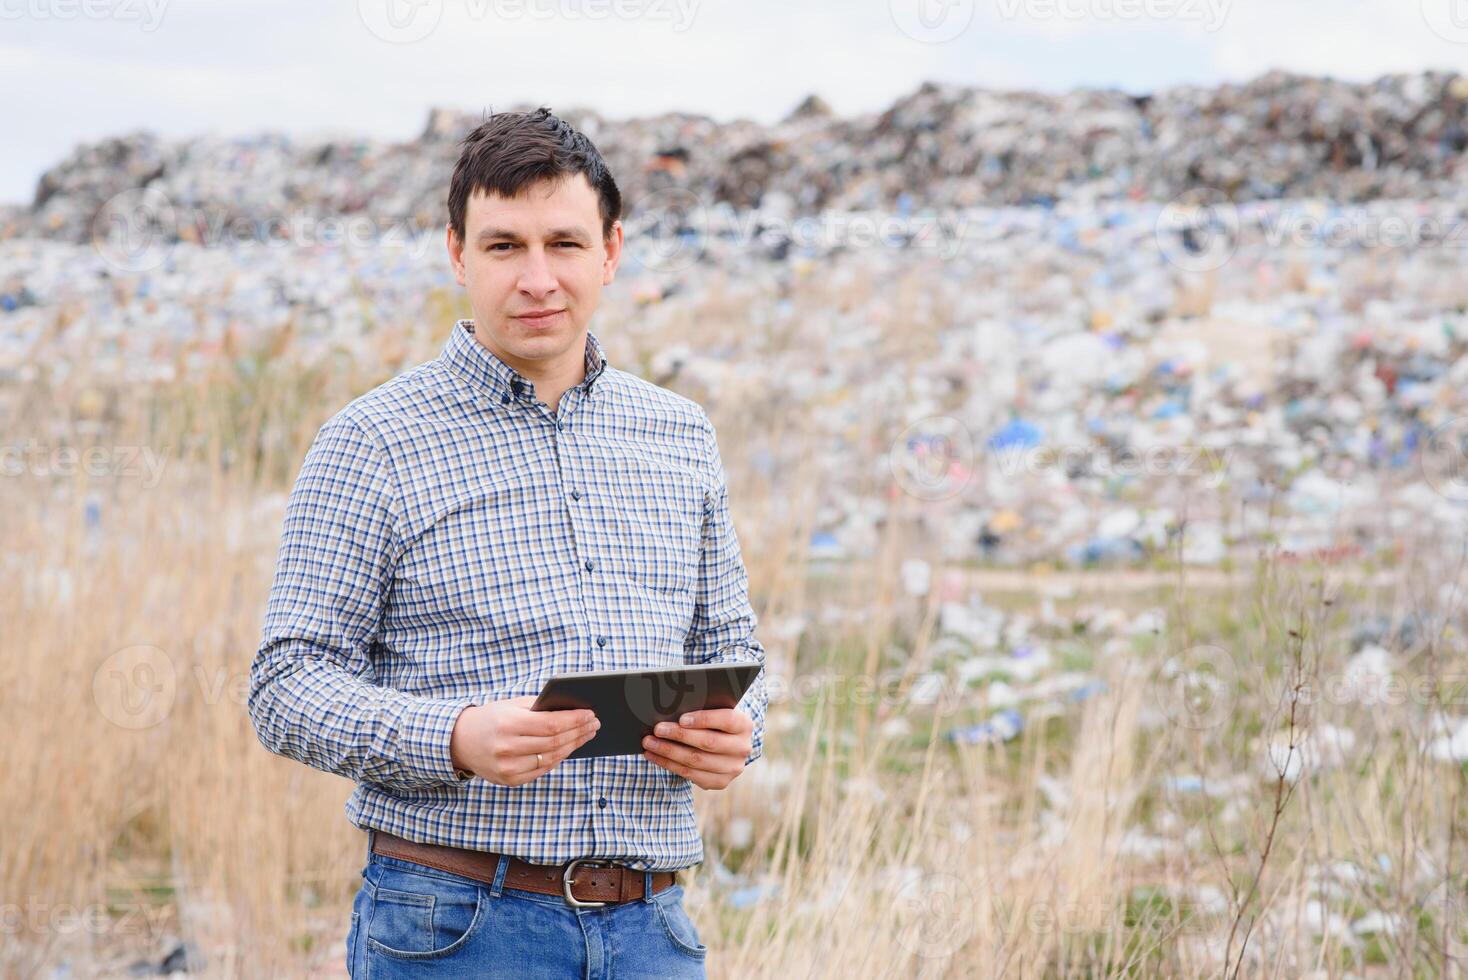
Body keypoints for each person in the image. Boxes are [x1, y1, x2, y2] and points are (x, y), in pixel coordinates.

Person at [247, 107, 768, 978]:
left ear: (612, 251)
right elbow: (284, 684)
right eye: (503, 247)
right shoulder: (373, 440)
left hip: (654, 930)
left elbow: (732, 650)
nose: (537, 279)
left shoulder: (679, 433)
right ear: (456, 253)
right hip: (456, 927)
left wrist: (740, 731)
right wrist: (451, 737)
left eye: (564, 244)